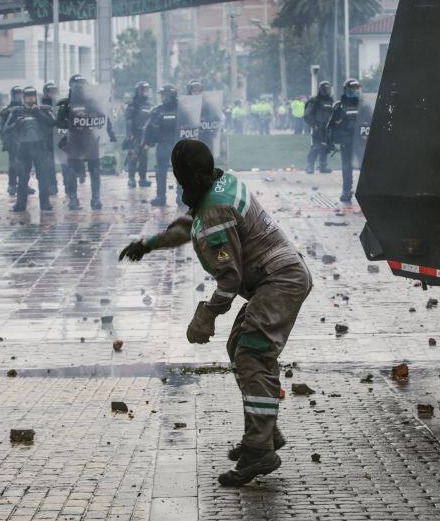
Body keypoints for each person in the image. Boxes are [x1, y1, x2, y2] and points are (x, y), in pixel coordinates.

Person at [118, 139, 312, 487]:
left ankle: (259, 451)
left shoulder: (214, 210)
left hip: (279, 281)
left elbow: (230, 278)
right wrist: (147, 245)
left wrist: (206, 315)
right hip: (279, 276)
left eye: (179, 180)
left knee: (252, 354)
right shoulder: (221, 183)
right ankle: (265, 433)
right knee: (238, 346)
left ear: (185, 177)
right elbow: (185, 227)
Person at [57, 74, 115, 210]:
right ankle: (73, 199)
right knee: (72, 172)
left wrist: (110, 135)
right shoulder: (66, 104)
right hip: (74, 141)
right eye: (77, 86)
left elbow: (103, 118)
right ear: (71, 87)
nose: (80, 89)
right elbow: (59, 123)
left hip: (91, 140)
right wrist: (70, 123)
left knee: (95, 171)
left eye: (83, 86)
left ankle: (96, 199)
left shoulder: (92, 102)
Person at [6, 86, 55, 212]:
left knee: (43, 176)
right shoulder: (17, 111)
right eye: (28, 96)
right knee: (22, 177)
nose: (30, 98)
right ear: (24, 98)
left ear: (36, 97)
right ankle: (20, 204)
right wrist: (17, 123)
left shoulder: (43, 110)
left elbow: (52, 123)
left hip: (40, 147)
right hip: (23, 148)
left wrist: (38, 113)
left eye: (32, 96)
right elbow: (7, 129)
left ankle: (45, 204)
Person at [145, 84, 179, 207]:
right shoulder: (156, 110)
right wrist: (147, 143)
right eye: (162, 95)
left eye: (164, 95)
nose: (162, 98)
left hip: (178, 143)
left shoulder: (182, 108)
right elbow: (149, 128)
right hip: (163, 143)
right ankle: (160, 196)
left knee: (181, 171)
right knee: (160, 171)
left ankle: (181, 196)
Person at [330, 79, 361, 203]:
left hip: (361, 142)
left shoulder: (363, 104)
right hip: (346, 141)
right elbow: (331, 125)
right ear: (347, 89)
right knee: (347, 166)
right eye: (354, 88)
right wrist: (331, 142)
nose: (356, 91)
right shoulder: (339, 106)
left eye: (357, 88)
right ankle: (346, 191)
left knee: (365, 168)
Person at [0, 86, 26, 196]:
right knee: (13, 164)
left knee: (25, 164)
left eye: (20, 94)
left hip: (24, 139)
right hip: (12, 140)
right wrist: (5, 141)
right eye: (17, 94)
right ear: (13, 95)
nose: (19, 96)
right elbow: (2, 128)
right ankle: (12, 184)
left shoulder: (25, 108)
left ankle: (24, 184)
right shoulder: (7, 110)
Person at [125, 81, 153, 189]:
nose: (146, 92)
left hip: (145, 135)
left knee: (144, 157)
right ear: (138, 91)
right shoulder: (133, 104)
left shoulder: (149, 104)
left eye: (147, 90)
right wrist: (129, 134)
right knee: (133, 156)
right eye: (144, 90)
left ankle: (143, 178)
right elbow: (128, 120)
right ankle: (131, 178)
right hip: (135, 134)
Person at [303, 81, 334, 174]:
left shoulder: (330, 100)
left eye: (328, 89)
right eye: (325, 89)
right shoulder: (314, 101)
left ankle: (323, 166)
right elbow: (307, 115)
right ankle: (310, 165)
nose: (327, 91)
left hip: (327, 128)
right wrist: (314, 125)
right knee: (316, 146)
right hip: (317, 127)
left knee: (325, 146)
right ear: (320, 89)